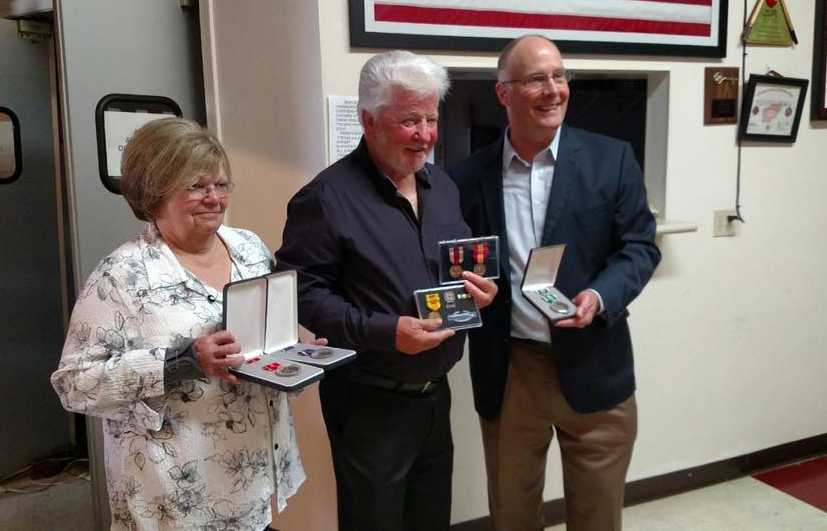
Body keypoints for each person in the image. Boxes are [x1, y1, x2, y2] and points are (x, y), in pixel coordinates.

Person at [275, 50, 498, 531]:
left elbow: (455, 267)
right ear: (369, 120)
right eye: (409, 120)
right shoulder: (325, 199)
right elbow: (303, 293)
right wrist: (384, 331)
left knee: (431, 520)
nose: (425, 135)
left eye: (431, 119)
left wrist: (479, 290)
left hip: (436, 394)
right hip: (369, 403)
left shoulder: (442, 187)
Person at [51, 118, 309, 530]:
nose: (214, 199)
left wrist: (297, 356)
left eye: (220, 185)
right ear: (154, 195)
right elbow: (74, 384)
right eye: (196, 187)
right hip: (174, 493)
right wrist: (179, 362)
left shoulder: (248, 248)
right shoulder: (121, 276)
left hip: (251, 474)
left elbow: (261, 340)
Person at [449, 35, 661, 531]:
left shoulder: (612, 159)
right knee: (512, 514)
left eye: (559, 76)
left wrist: (599, 296)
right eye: (536, 79)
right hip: (510, 369)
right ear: (503, 93)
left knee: (598, 516)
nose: (553, 90)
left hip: (595, 361)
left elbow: (639, 247)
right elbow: (454, 265)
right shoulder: (466, 176)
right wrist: (468, 292)